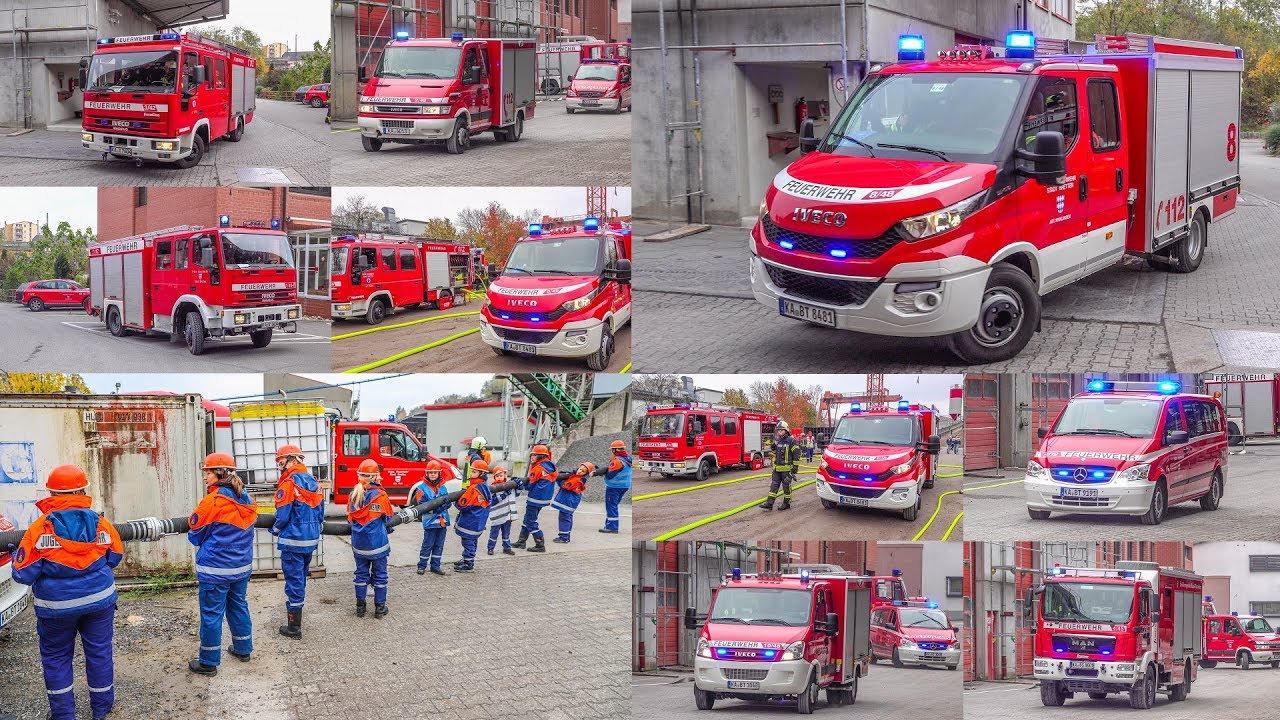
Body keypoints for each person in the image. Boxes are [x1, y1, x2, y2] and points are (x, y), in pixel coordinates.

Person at [12, 465, 123, 720]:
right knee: (99, 652)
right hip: (99, 601)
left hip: (57, 608)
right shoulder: (101, 523)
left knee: (56, 657)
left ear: (51, 492)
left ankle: (63, 715)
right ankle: (101, 709)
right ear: (83, 490)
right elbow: (115, 557)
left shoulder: (39, 529)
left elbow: (22, 574)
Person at [188, 453, 257, 676]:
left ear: (219, 473)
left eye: (207, 472)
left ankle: (208, 662)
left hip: (215, 570)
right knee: (238, 606)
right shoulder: (246, 498)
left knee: (211, 614)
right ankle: (243, 648)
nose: (205, 477)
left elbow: (195, 534)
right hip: (241, 568)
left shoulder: (212, 501)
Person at [270, 444, 324, 639]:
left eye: (281, 462)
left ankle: (294, 628)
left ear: (291, 460)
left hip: (292, 541)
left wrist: (274, 530)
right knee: (300, 578)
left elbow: (283, 516)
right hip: (310, 540)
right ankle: (297, 616)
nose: (280, 466)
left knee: (293, 581)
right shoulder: (314, 483)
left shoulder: (289, 484)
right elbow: (320, 514)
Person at [348, 459, 393, 618]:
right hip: (378, 545)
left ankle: (360, 608)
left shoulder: (354, 494)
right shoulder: (381, 495)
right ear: (375, 477)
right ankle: (379, 609)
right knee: (380, 575)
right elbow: (388, 519)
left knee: (361, 574)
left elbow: (350, 519)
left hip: (359, 545)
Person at [406, 460, 450, 576]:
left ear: (439, 473)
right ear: (427, 473)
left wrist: (447, 504)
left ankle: (435, 566)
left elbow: (446, 499)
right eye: (431, 472)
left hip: (442, 522)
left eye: (435, 472)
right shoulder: (421, 488)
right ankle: (422, 565)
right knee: (427, 545)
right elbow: (421, 506)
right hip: (430, 522)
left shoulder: (443, 487)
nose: (433, 474)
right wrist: (436, 508)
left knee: (439, 545)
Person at [513, 444, 555, 553]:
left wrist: (520, 483)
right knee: (528, 519)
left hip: (535, 499)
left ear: (541, 456)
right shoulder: (550, 466)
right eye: (532, 455)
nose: (532, 457)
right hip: (544, 499)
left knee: (531, 521)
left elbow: (530, 486)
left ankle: (540, 544)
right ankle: (521, 541)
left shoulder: (537, 468)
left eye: (535, 455)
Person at [453, 460, 493, 572]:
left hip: (470, 522)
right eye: (471, 471)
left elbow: (463, 505)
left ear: (482, 474)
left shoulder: (474, 488)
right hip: (477, 522)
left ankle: (468, 563)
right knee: (472, 540)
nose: (471, 474)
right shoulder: (483, 486)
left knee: (467, 541)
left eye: (474, 472)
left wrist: (455, 501)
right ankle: (467, 558)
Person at [551, 461, 604, 544]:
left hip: (568, 502)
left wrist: (559, 479)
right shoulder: (577, 477)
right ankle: (566, 536)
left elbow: (565, 486)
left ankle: (564, 537)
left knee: (564, 518)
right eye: (580, 469)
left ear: (586, 473)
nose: (580, 471)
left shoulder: (577, 479)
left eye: (583, 471)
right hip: (570, 502)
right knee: (568, 517)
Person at [760, 423, 801, 511]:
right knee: (774, 486)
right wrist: (773, 446)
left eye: (781, 430)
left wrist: (794, 469)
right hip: (777, 469)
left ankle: (786, 503)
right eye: (778, 430)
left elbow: (796, 454)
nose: (779, 432)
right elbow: (775, 451)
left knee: (786, 487)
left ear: (786, 430)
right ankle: (769, 503)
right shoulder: (778, 441)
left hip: (786, 470)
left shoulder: (791, 441)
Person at [600, 439, 632, 534]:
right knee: (613, 505)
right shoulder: (628, 459)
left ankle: (612, 527)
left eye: (612, 450)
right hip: (624, 486)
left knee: (611, 506)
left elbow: (610, 475)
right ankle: (609, 524)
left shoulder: (617, 461)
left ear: (615, 450)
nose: (611, 452)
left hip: (614, 487)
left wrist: (603, 473)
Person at [486, 465, 519, 555]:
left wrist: (518, 485)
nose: (499, 478)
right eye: (497, 476)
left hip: (508, 515)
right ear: (494, 477)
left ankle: (507, 548)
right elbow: (493, 501)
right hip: (497, 515)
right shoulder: (493, 487)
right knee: (494, 533)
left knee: (506, 533)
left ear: (505, 475)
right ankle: (490, 548)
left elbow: (517, 494)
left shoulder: (509, 485)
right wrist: (504, 494)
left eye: (501, 475)